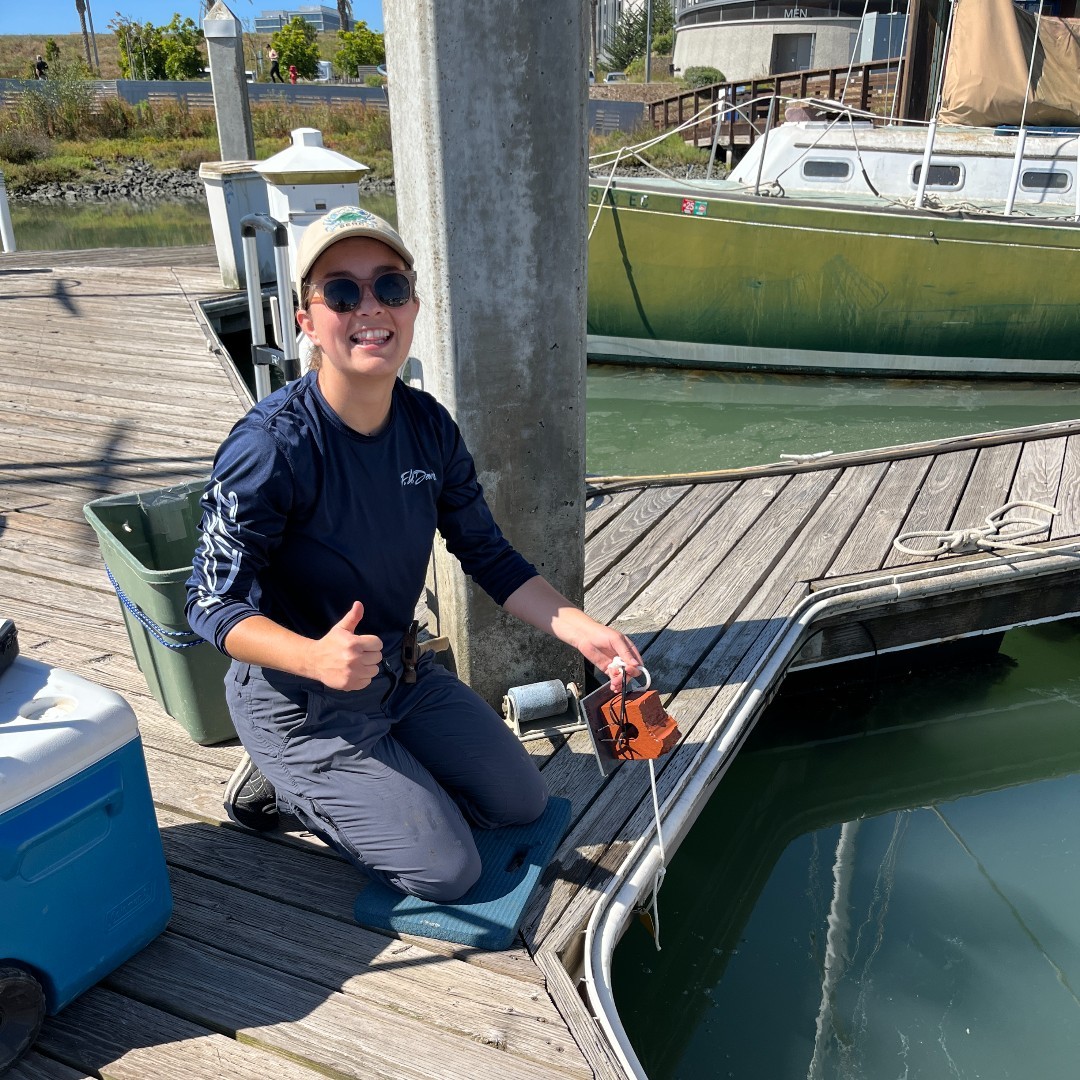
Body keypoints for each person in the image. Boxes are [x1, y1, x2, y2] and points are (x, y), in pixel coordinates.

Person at [185, 206, 643, 903]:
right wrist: (312, 657)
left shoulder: (428, 426)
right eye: (342, 291)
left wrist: (583, 629)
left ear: (414, 306)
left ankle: (380, 784)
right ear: (306, 320)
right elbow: (210, 603)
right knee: (446, 870)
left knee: (520, 801)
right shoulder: (269, 447)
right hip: (299, 699)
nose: (370, 308)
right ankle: (282, 783)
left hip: (398, 673)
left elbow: (486, 554)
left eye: (389, 287)